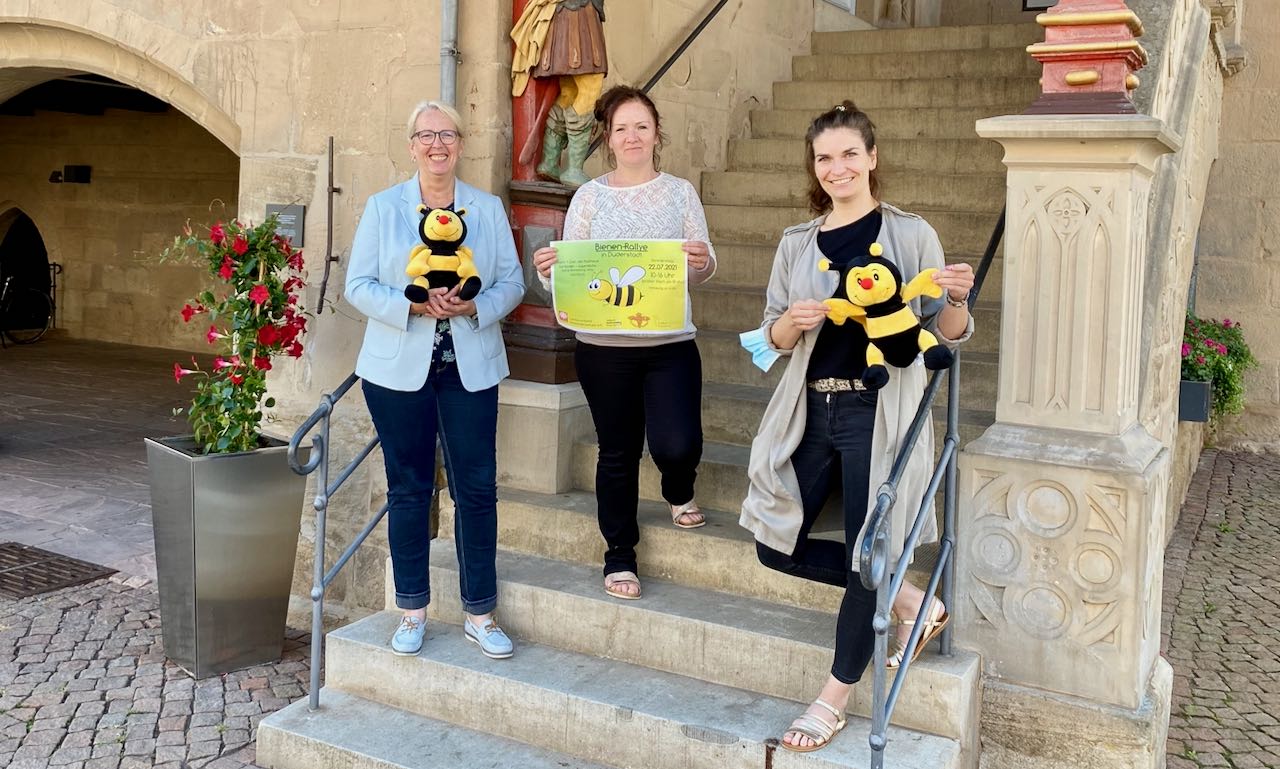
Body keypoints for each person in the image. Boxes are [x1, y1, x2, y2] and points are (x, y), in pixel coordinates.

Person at [739, 101, 974, 752]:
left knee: (866, 551)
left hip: (880, 411)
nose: (837, 167)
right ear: (814, 168)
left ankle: (832, 698)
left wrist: (954, 299)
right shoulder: (796, 243)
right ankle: (911, 602)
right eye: (824, 158)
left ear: (871, 157)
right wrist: (795, 322)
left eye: (848, 154)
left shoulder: (910, 235)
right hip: (811, 408)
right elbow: (769, 338)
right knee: (772, 541)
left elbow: (945, 334)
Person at [345, 100, 526, 660]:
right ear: (411, 145)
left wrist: (472, 309)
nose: (437, 145)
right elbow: (358, 285)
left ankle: (480, 612)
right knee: (409, 487)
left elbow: (512, 283)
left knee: (476, 488)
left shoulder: (487, 208)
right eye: (426, 135)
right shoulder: (383, 208)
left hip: (469, 367)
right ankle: (412, 609)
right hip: (397, 370)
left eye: (446, 135)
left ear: (461, 143)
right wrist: (414, 305)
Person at [531, 85, 716, 600]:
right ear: (607, 139)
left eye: (641, 126)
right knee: (617, 452)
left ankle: (678, 488)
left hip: (670, 344)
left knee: (677, 444)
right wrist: (551, 270)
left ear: (657, 133)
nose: (631, 136)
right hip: (603, 349)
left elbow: (699, 267)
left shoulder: (680, 192)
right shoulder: (589, 196)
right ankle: (619, 555)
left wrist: (701, 263)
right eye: (621, 128)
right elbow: (575, 278)